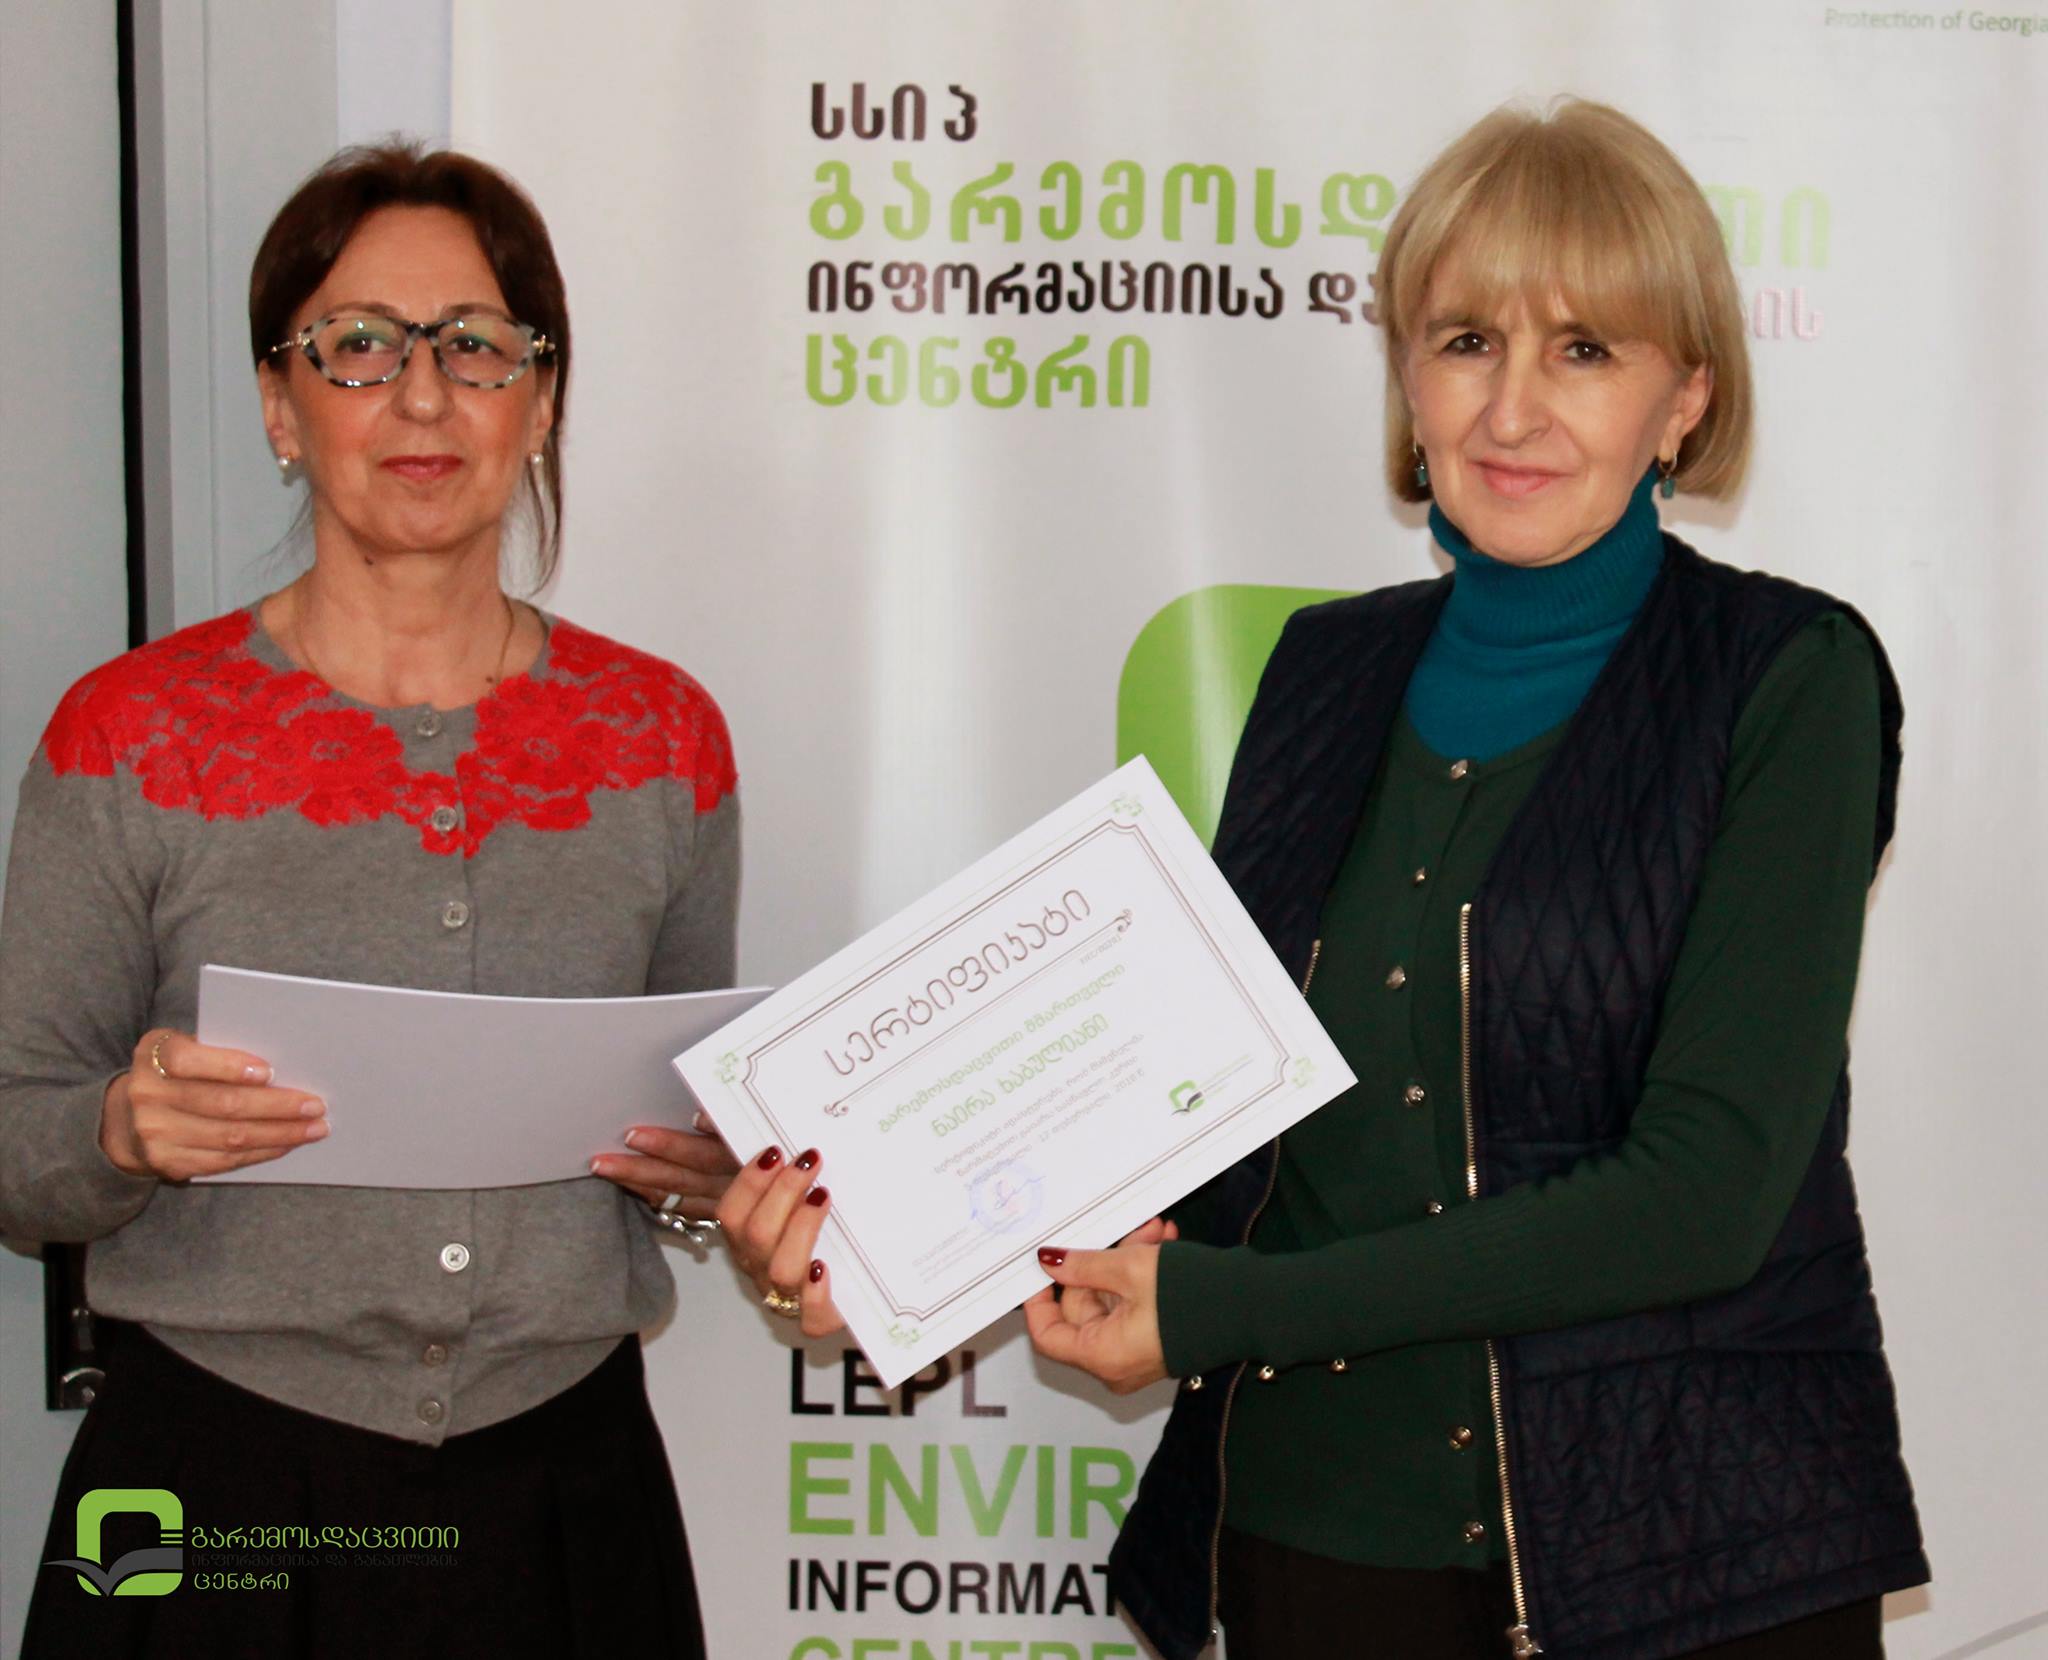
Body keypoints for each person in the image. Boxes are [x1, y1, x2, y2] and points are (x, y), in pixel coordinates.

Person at [1022, 100, 1929, 1659]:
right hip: (1317, 1540)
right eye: (1465, 342)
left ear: (1684, 400)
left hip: (1687, 1557)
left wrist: (1231, 1311)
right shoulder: (1322, 672)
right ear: (1408, 380)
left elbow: (1705, 1196)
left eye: (1584, 349)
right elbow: (1205, 1096)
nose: (1513, 408)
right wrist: (887, 1240)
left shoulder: (1788, 678)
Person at [0, 143, 738, 1658]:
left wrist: (710, 1173)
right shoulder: (129, 733)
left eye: (476, 346)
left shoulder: (662, 739)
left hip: (565, 1482)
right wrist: (120, 1132)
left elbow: (685, 1141)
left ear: (541, 400)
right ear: (282, 406)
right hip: (210, 1484)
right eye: (358, 345)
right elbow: (19, 1150)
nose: (422, 397)